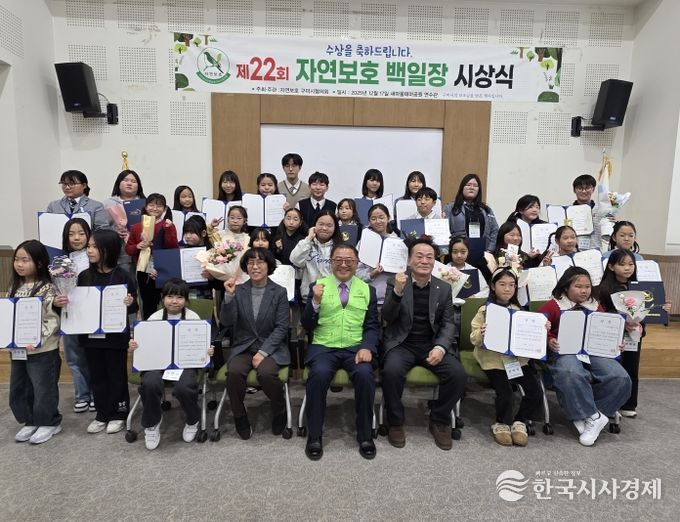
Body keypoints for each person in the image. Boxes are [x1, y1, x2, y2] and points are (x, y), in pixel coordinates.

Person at [380, 236, 466, 450]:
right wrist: (398, 292)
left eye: (429, 257)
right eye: (419, 256)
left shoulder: (443, 288)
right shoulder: (395, 281)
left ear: (435, 261)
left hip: (431, 344)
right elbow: (387, 317)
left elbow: (448, 323)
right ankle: (395, 422)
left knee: (457, 375)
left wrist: (440, 347)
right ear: (409, 260)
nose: (424, 261)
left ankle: (439, 420)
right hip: (402, 343)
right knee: (391, 371)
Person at [301, 244, 380, 460]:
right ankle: (314, 436)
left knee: (365, 375)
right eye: (338, 260)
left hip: (355, 347)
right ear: (331, 262)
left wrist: (367, 346)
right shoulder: (318, 286)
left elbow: (372, 326)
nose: (343, 264)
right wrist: (315, 302)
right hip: (324, 347)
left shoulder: (367, 290)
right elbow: (306, 324)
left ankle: (365, 436)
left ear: (357, 264)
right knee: (318, 375)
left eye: (349, 260)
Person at [538, 267, 631, 446]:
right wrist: (550, 340)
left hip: (594, 351)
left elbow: (607, 330)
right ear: (566, 287)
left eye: (587, 287)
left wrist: (616, 342)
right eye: (578, 286)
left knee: (621, 377)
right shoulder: (553, 305)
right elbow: (538, 328)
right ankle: (593, 416)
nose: (584, 291)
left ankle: (591, 415)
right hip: (564, 350)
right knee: (571, 373)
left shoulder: (595, 305)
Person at [64, 229, 138, 435]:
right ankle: (102, 413)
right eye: (89, 246)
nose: (89, 250)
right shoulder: (84, 276)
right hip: (90, 336)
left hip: (115, 337)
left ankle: (118, 413)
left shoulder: (122, 275)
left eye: (95, 247)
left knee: (116, 375)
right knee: (97, 376)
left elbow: (133, 306)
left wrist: (129, 302)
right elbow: (78, 306)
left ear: (109, 249)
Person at [128, 278, 213, 450]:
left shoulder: (193, 318)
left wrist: (207, 351)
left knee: (184, 387)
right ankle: (152, 424)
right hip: (157, 363)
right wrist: (135, 346)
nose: (174, 301)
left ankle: (192, 419)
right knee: (150, 382)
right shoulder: (154, 318)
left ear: (186, 300)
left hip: (185, 363)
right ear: (162, 298)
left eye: (179, 297)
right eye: (170, 296)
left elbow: (200, 345)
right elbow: (145, 345)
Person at [470, 267, 546, 446]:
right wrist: (481, 333)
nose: (507, 289)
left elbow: (528, 338)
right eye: (502, 284)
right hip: (492, 360)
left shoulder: (519, 310)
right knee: (505, 392)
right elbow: (473, 338)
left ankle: (520, 420)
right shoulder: (484, 310)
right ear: (493, 286)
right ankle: (502, 423)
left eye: (512, 285)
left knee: (535, 389)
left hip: (515, 360)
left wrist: (541, 329)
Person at [220, 248, 290, 439]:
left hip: (271, 347)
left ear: (268, 266)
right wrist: (229, 297)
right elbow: (226, 322)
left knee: (266, 374)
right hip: (244, 346)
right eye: (251, 262)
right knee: (234, 373)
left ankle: (279, 410)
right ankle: (239, 415)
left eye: (260, 262)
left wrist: (263, 352)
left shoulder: (279, 292)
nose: (255, 266)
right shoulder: (238, 290)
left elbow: (282, 327)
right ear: (245, 267)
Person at [597, 249, 672, 418]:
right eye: (622, 264)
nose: (627, 268)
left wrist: (662, 308)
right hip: (611, 335)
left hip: (633, 334)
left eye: (631, 264)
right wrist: (621, 320)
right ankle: (610, 402)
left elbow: (649, 311)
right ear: (611, 266)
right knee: (613, 369)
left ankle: (629, 403)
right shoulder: (603, 289)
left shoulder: (641, 287)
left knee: (631, 367)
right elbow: (601, 312)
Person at [7, 240, 62, 444]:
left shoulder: (48, 289)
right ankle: (30, 420)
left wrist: (37, 338)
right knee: (21, 387)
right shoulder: (14, 287)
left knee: (43, 387)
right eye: (17, 259)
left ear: (39, 263)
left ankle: (49, 422)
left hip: (43, 350)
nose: (19, 264)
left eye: (25, 260)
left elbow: (52, 320)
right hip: (18, 350)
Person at [125, 193, 180, 319]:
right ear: (145, 206)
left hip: (163, 270)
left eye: (159, 206)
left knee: (166, 301)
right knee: (147, 303)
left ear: (165, 209)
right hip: (143, 270)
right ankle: (149, 325)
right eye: (151, 205)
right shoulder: (137, 227)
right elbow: (128, 249)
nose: (155, 208)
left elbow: (173, 247)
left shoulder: (168, 225)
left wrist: (169, 229)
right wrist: (138, 246)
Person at [61, 218, 94, 413]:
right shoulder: (60, 261)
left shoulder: (94, 258)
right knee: (73, 357)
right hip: (69, 314)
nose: (76, 238)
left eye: (81, 233)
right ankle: (82, 394)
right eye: (71, 234)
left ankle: (95, 394)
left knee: (92, 355)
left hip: (90, 314)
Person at [445, 173, 498, 270]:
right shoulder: (451, 208)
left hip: (482, 254)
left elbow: (495, 230)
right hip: (458, 254)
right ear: (462, 188)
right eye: (468, 185)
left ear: (479, 189)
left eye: (475, 186)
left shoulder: (486, 209)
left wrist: (490, 249)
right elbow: (444, 230)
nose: (472, 188)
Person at [289, 211, 341, 305]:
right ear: (314, 225)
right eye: (321, 224)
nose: (324, 228)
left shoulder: (340, 248)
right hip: (308, 298)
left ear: (335, 228)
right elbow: (295, 260)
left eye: (329, 225)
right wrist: (309, 238)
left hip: (333, 299)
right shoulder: (306, 243)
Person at [103, 169, 146, 274]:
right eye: (126, 180)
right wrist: (115, 231)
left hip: (144, 250)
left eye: (133, 181)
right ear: (118, 183)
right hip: (120, 252)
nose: (129, 183)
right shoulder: (108, 204)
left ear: (138, 186)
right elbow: (102, 228)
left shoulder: (146, 203)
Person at [356, 203, 400, 305]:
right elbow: (355, 272)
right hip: (366, 298)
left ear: (388, 218)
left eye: (381, 217)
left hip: (390, 299)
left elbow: (402, 271)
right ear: (369, 222)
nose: (378, 221)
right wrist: (372, 274)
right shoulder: (363, 243)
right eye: (373, 219)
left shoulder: (397, 242)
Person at [571, 174, 602, 250]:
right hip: (574, 252)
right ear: (574, 190)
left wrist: (611, 223)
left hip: (596, 252)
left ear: (593, 189)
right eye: (580, 188)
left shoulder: (601, 211)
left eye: (587, 188)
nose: (584, 191)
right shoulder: (568, 212)